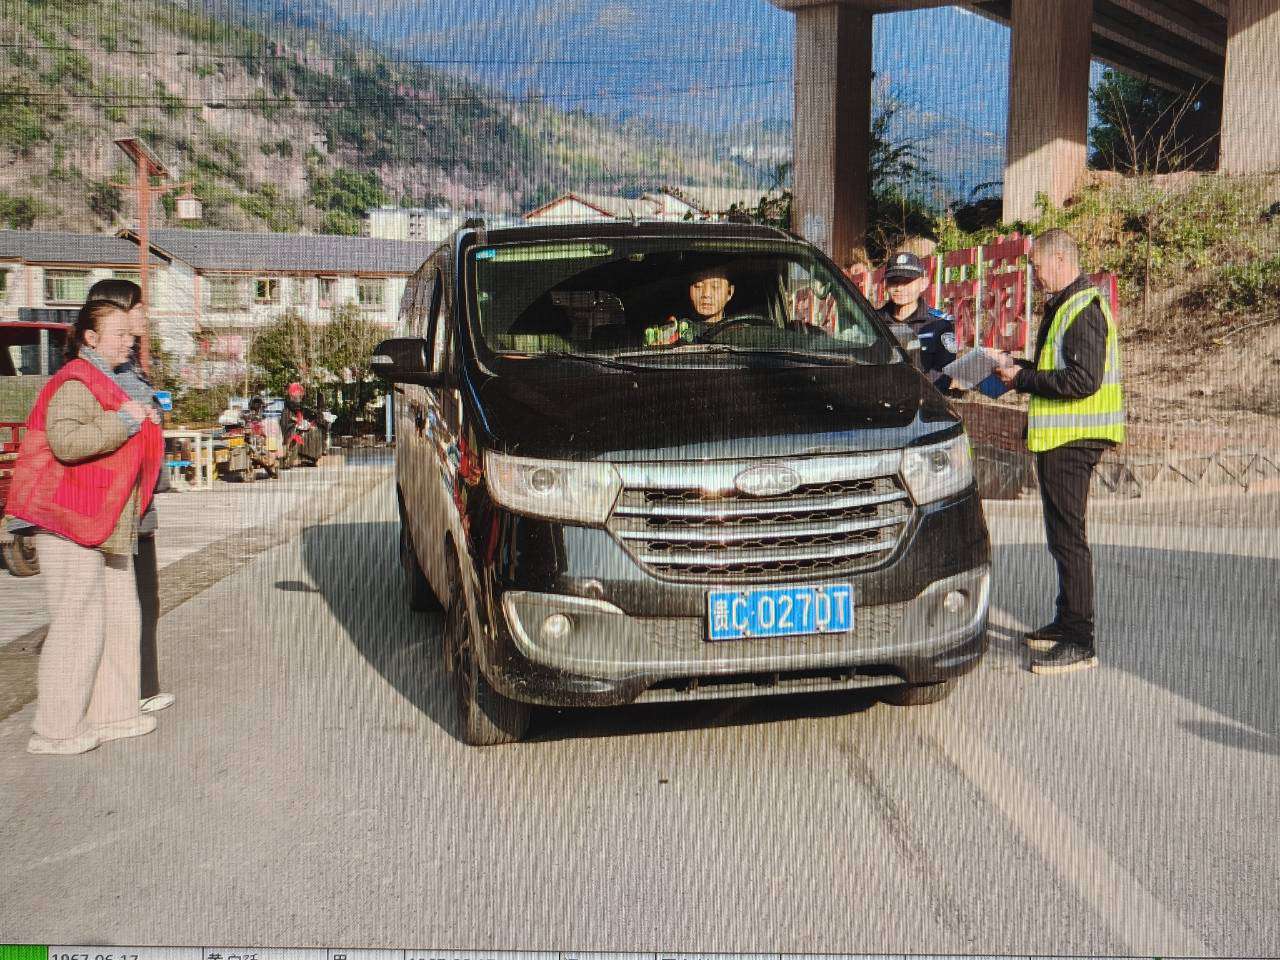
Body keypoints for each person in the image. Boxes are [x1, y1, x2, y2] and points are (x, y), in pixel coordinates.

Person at [7, 294, 166, 755]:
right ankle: (55, 730)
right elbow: (68, 443)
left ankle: (112, 712)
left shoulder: (107, 379)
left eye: (131, 335)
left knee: (118, 617)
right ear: (91, 338)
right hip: (68, 519)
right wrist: (126, 420)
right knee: (77, 622)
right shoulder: (75, 380)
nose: (129, 342)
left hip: (102, 520)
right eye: (119, 334)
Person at [993, 228, 1126, 676]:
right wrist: (1019, 369)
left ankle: (1079, 640)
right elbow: (1059, 370)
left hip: (1075, 439)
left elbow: (1083, 380)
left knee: (1069, 540)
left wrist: (1023, 379)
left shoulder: (1084, 308)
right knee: (1060, 537)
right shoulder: (1067, 304)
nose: (1035, 274)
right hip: (1060, 439)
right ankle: (1065, 621)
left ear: (1061, 260)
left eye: (1037, 266)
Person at [86, 278, 176, 715]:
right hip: (122, 504)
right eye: (137, 308)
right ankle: (132, 691)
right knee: (131, 601)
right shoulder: (108, 374)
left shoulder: (129, 369)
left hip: (139, 503)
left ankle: (143, 686)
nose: (143, 316)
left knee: (143, 599)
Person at [880, 251, 958, 391]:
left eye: (907, 281)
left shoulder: (939, 325)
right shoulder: (873, 321)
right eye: (894, 281)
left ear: (923, 284)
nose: (899, 288)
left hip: (923, 397)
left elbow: (946, 372)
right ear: (885, 285)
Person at [645, 265, 736, 345]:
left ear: (729, 292)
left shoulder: (739, 331)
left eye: (715, 286)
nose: (706, 294)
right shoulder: (672, 331)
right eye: (698, 286)